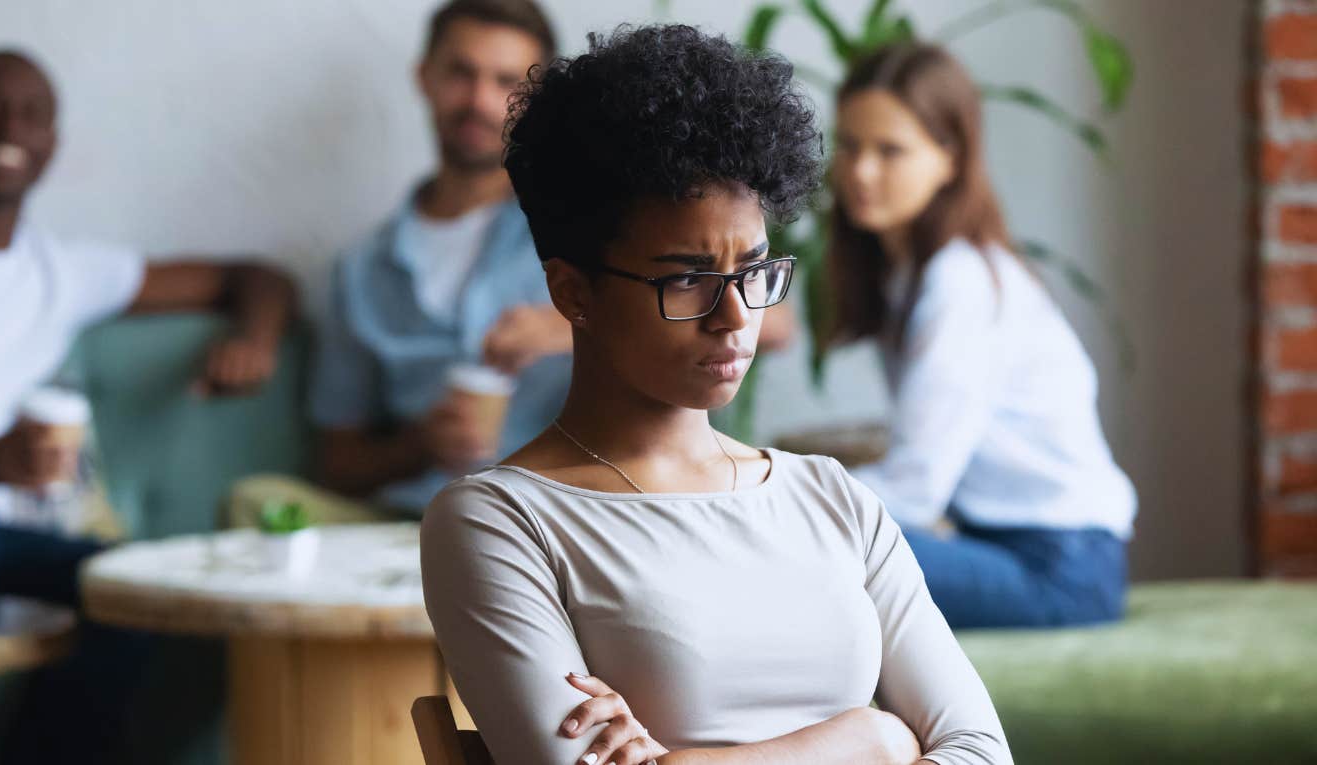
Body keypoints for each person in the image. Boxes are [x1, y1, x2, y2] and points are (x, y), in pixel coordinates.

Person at [422, 25, 1011, 765]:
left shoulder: (833, 501)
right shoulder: (501, 522)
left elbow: (982, 752)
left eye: (755, 271)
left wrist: (689, 762)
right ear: (575, 292)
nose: (736, 316)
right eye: (687, 279)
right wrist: (874, 738)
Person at [0, 49, 296, 763]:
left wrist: (254, 340)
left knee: (125, 592)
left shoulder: (63, 274)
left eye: (31, 111)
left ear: (52, 143)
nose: (7, 124)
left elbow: (255, 276)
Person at [228, 0, 572, 526]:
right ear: (425, 77)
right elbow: (337, 465)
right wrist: (419, 444)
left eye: (506, 81)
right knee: (254, 501)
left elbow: (735, 314)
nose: (479, 100)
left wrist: (569, 326)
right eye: (461, 72)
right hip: (412, 524)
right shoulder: (362, 269)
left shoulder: (583, 228)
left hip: (550, 518)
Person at [828, 43, 1136, 629]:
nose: (861, 171)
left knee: (815, 550)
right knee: (815, 548)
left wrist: (779, 494)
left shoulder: (960, 282)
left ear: (950, 157)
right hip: (1007, 546)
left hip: (1062, 567)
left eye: (890, 150)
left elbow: (916, 489)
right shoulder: (904, 277)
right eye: (849, 146)